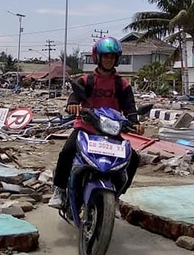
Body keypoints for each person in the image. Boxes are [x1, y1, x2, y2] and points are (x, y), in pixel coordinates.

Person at [48, 37, 144, 208]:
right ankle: (59, 190)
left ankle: (116, 196)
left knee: (133, 158)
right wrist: (72, 105)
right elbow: (75, 96)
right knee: (67, 152)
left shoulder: (122, 84)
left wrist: (135, 122)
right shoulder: (86, 80)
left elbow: (130, 108)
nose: (109, 60)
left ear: (117, 59)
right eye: (105, 56)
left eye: (112, 57)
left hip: (111, 132)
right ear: (97, 57)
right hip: (86, 128)